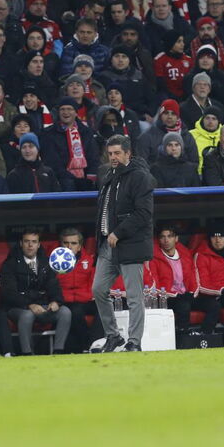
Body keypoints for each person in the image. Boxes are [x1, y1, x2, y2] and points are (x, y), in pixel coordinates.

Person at [92, 135, 155, 352]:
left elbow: (143, 213)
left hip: (130, 243)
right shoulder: (108, 175)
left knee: (134, 296)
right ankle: (113, 336)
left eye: (117, 153)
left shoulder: (140, 177)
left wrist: (118, 232)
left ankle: (134, 342)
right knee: (98, 289)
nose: (113, 157)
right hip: (107, 245)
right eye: (110, 154)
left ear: (129, 153)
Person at [0, 229, 71, 356]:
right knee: (27, 315)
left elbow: (54, 287)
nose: (30, 245)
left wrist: (56, 301)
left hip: (43, 307)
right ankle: (27, 353)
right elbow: (8, 294)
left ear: (39, 244)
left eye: (34, 242)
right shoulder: (9, 265)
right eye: (27, 241)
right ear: (21, 243)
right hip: (18, 308)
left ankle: (58, 352)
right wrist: (29, 305)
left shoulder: (46, 263)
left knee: (65, 312)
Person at [55, 228, 103, 353]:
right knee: (76, 310)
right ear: (61, 245)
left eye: (73, 243)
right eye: (66, 243)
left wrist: (89, 296)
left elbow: (93, 282)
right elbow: (53, 287)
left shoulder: (90, 260)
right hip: (66, 301)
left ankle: (95, 344)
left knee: (104, 307)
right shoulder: (53, 263)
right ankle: (85, 347)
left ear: (80, 246)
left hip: (84, 298)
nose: (69, 246)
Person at [150, 224, 198, 333]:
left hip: (186, 295)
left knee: (213, 305)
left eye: (170, 236)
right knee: (183, 305)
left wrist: (192, 293)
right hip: (166, 298)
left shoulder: (185, 255)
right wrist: (175, 295)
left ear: (176, 238)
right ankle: (183, 338)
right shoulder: (153, 257)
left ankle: (205, 335)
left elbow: (194, 278)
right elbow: (154, 285)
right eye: (162, 237)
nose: (166, 240)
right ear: (159, 239)